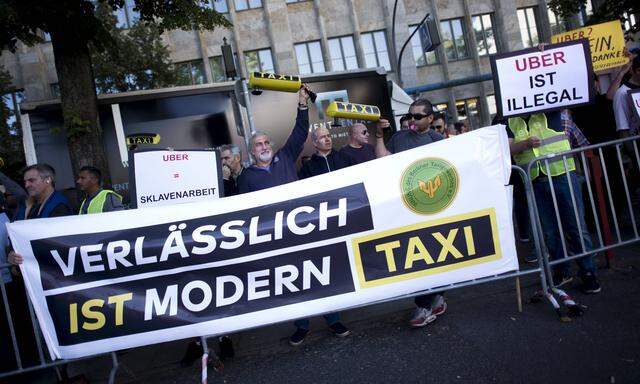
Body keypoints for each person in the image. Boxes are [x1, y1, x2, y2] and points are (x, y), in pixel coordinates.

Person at [507, 110, 601, 293]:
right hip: (534, 180)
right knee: (549, 231)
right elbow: (508, 149)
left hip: (562, 175)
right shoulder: (511, 120)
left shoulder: (551, 111)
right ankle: (562, 271)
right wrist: (526, 144)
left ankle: (588, 272)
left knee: (575, 227)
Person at [374, 98, 447, 328]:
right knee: (417, 256)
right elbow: (381, 160)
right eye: (409, 115)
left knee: (437, 254)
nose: (411, 120)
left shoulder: (437, 140)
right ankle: (433, 298)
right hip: (406, 207)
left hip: (433, 206)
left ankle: (425, 304)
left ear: (430, 119)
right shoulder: (399, 138)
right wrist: (378, 135)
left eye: (417, 116)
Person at [287, 126, 353, 345]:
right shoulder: (306, 169)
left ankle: (333, 320)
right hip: (317, 229)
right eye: (322, 137)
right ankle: (302, 325)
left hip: (342, 224)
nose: (327, 140)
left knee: (331, 275)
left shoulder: (344, 158)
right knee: (305, 276)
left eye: (328, 136)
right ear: (314, 143)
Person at [237, 84, 312, 193]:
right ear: (252, 151)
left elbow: (300, 132)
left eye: (266, 143)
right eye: (259, 144)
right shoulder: (246, 177)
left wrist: (303, 102)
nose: (264, 147)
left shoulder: (285, 156)